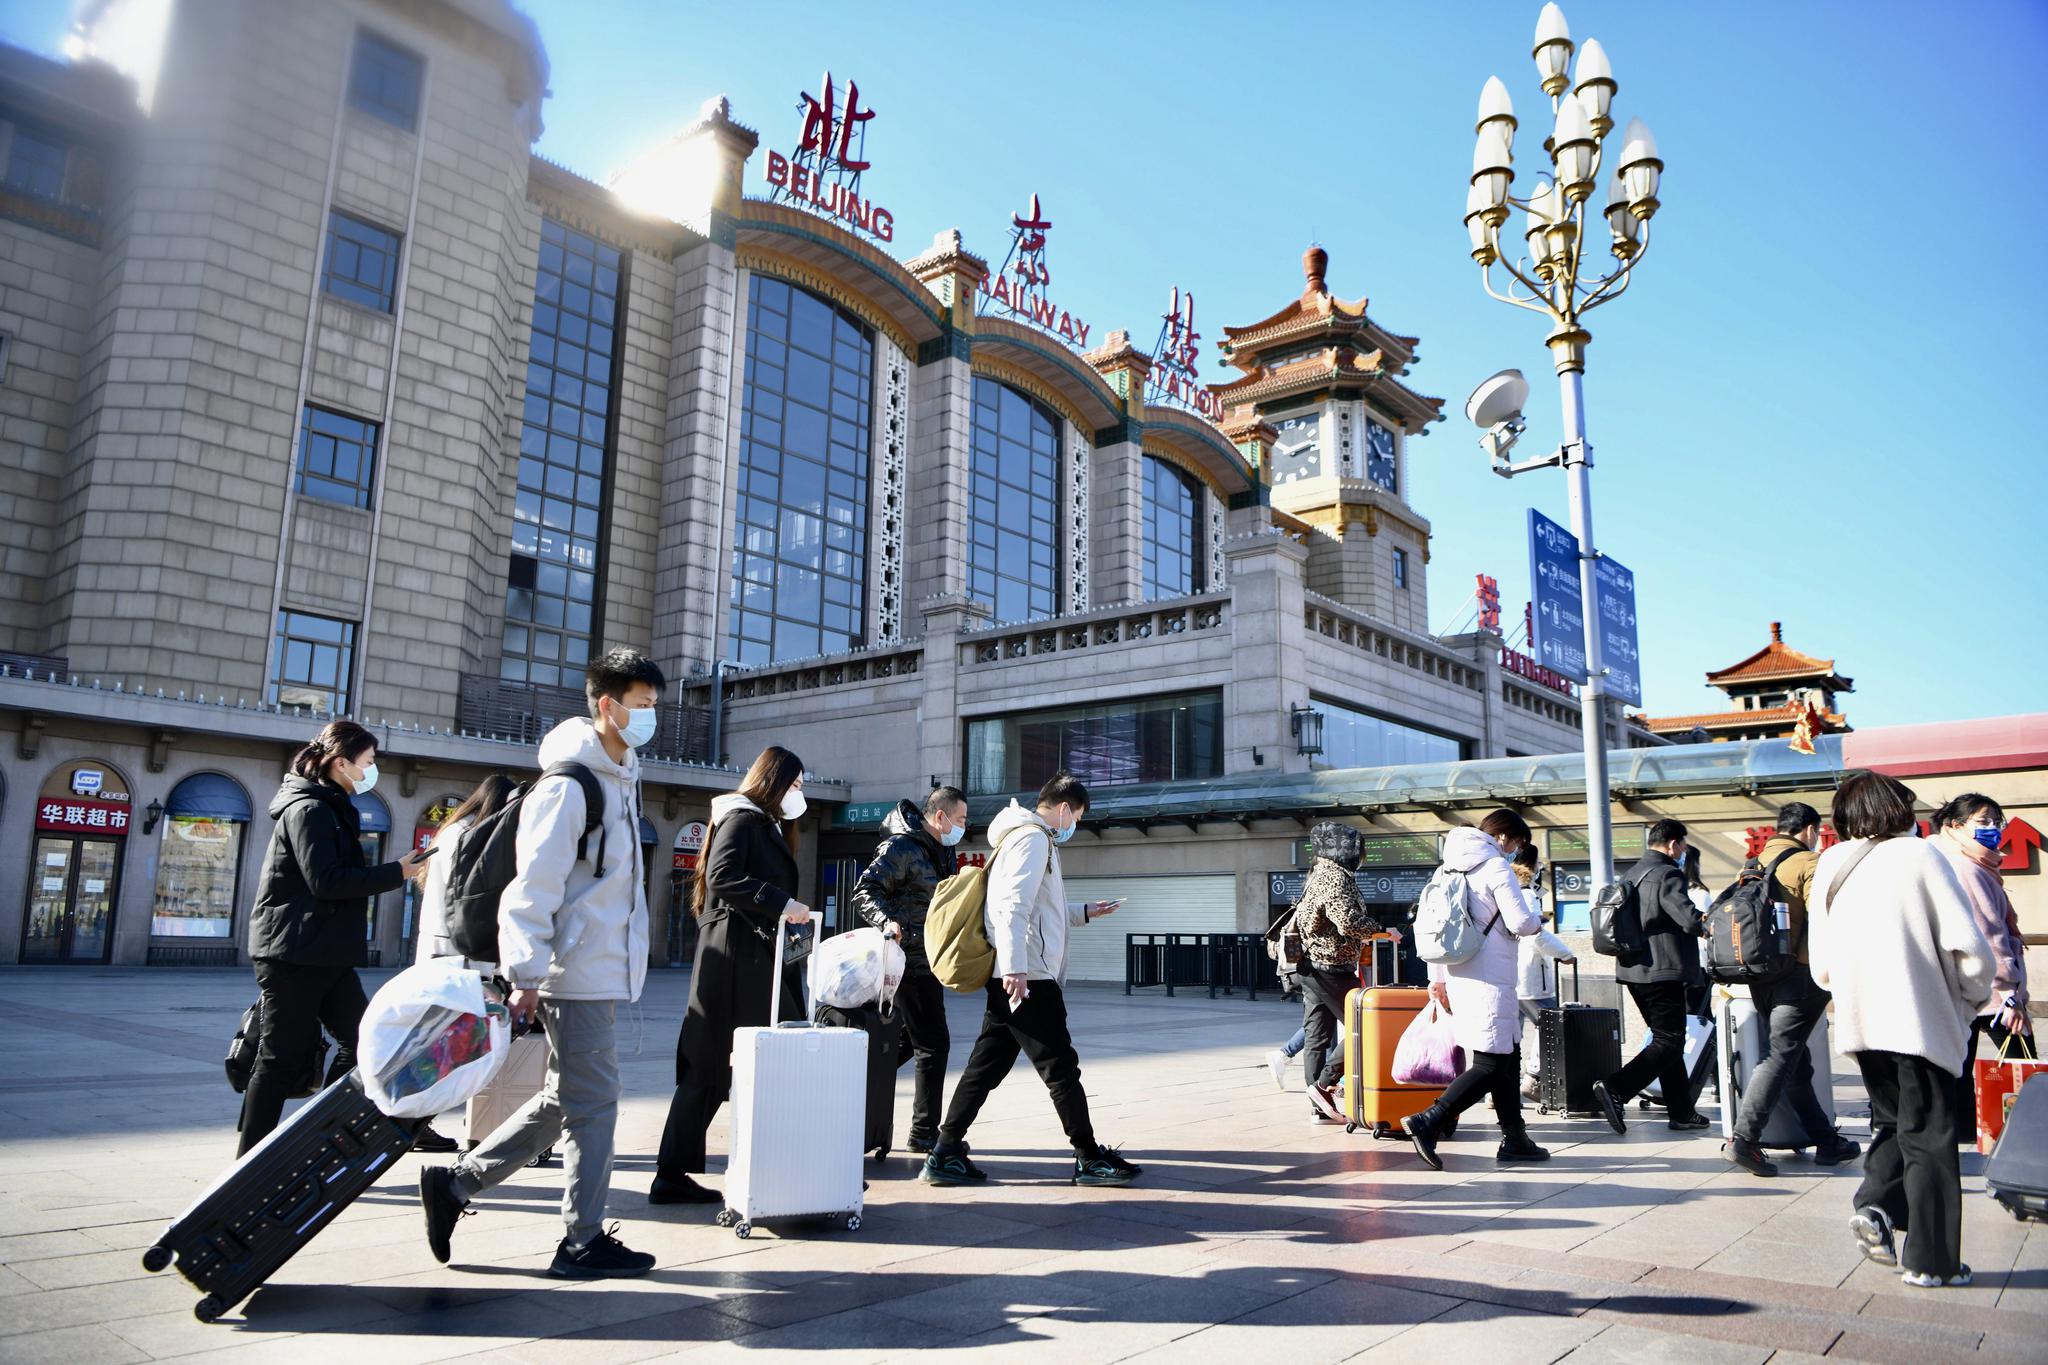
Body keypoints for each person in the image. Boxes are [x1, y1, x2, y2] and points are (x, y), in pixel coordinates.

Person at [418, 647, 665, 1279]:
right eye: (641, 705)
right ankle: (581, 1241)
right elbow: (532, 889)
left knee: (565, 1098)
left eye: (654, 706)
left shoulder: (620, 778)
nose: (649, 718)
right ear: (607, 705)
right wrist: (525, 975)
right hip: (571, 972)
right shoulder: (568, 786)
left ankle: (456, 1185)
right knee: (596, 1104)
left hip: (596, 967)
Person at [1810, 771, 1995, 1289]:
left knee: (1894, 1123)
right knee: (1931, 1135)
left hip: (1862, 1025)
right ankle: (1931, 1261)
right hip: (1919, 1020)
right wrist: (1971, 998)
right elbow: (1969, 949)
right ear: (1898, 808)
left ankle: (1875, 1206)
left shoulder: (1832, 862)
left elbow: (1821, 966)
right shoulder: (1920, 856)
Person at [920, 772, 1140, 1187]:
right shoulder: (1033, 839)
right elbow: (1011, 907)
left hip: (1019, 973)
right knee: (1061, 1068)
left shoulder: (1025, 838)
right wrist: (1016, 968)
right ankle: (1088, 1157)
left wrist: (1084, 912)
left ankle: (945, 1153)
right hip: (1028, 978)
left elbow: (1040, 909)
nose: (1074, 825)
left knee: (985, 1068)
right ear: (1064, 808)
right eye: (1077, 817)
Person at [240, 720, 428, 1154]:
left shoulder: (332, 806)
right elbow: (326, 881)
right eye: (368, 761)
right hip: (293, 953)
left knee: (364, 1044)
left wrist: (394, 871)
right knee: (279, 1058)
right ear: (341, 763)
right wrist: (396, 873)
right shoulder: (309, 809)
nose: (372, 769)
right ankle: (248, 1160)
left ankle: (319, 1137)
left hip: (325, 951)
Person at [649, 746, 811, 1203]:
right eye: (794, 784)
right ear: (773, 781)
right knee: (742, 1060)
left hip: (749, 956)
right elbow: (721, 876)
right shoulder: (742, 819)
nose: (799, 794)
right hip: (738, 958)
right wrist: (781, 903)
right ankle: (789, 1163)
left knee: (720, 1065)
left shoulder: (762, 823)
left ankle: (675, 1173)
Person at [1406, 810, 1551, 1168]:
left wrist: (1437, 979)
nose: (1515, 850)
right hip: (1491, 976)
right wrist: (1538, 921)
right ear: (1503, 837)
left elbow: (1433, 926)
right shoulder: (1495, 867)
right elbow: (1519, 921)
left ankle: (1515, 1138)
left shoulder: (1447, 868)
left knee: (1509, 1056)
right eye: (1516, 843)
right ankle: (1430, 1120)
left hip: (1460, 973)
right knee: (1492, 1063)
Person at [1725, 802, 1861, 1176]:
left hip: (1760, 975)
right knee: (1781, 1056)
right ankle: (1744, 1139)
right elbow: (1826, 918)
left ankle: (1826, 1141)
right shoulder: (1808, 862)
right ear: (1810, 829)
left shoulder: (1751, 865)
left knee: (1795, 1061)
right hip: (1799, 975)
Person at [850, 785, 970, 1153]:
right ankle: (924, 1133)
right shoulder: (901, 847)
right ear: (940, 816)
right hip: (907, 960)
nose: (963, 826)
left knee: (905, 1042)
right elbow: (864, 890)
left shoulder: (943, 850)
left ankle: (849, 1083)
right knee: (934, 1044)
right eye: (961, 818)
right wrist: (887, 921)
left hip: (929, 958)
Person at [410, 774, 523, 1158]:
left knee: (439, 1040)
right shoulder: (473, 836)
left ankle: (420, 1120)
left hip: (437, 948)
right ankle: (418, 1121)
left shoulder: (449, 831)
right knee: (454, 1044)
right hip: (459, 954)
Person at [1589, 819, 1713, 1134]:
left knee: (1665, 1039)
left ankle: (1682, 1111)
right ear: (1673, 844)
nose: (1683, 852)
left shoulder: (1631, 873)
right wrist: (1711, 922)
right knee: (1670, 1040)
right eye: (1683, 846)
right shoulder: (1667, 873)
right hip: (1662, 970)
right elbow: (1688, 919)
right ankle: (1616, 1087)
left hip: (1633, 970)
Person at [1931, 792, 2033, 1145]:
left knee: (1960, 1069)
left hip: (1960, 988)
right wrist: (2009, 993)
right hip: (1990, 989)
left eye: (1995, 822)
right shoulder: (1968, 868)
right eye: (1982, 822)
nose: (1992, 829)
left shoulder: (1952, 860)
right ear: (1955, 826)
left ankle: (1962, 1137)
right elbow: (1989, 933)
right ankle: (2026, 1133)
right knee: (2023, 1063)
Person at [1288, 822, 1381, 1124]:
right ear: (1345, 850)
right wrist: (1380, 931)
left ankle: (1319, 1107)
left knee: (1317, 1037)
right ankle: (1323, 1086)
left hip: (1311, 966)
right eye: (1359, 850)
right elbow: (1347, 920)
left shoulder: (1318, 873)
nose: (1361, 856)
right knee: (1365, 1026)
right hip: (1331, 967)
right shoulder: (1334, 877)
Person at [1511, 845, 1573, 1100]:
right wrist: (1565, 953)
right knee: (1549, 1025)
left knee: (1511, 1034)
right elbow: (1536, 934)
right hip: (1530, 975)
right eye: (1538, 864)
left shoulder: (1507, 889)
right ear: (1530, 864)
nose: (1540, 868)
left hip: (1508, 973)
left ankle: (1500, 1088)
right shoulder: (1527, 893)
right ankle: (1534, 1078)